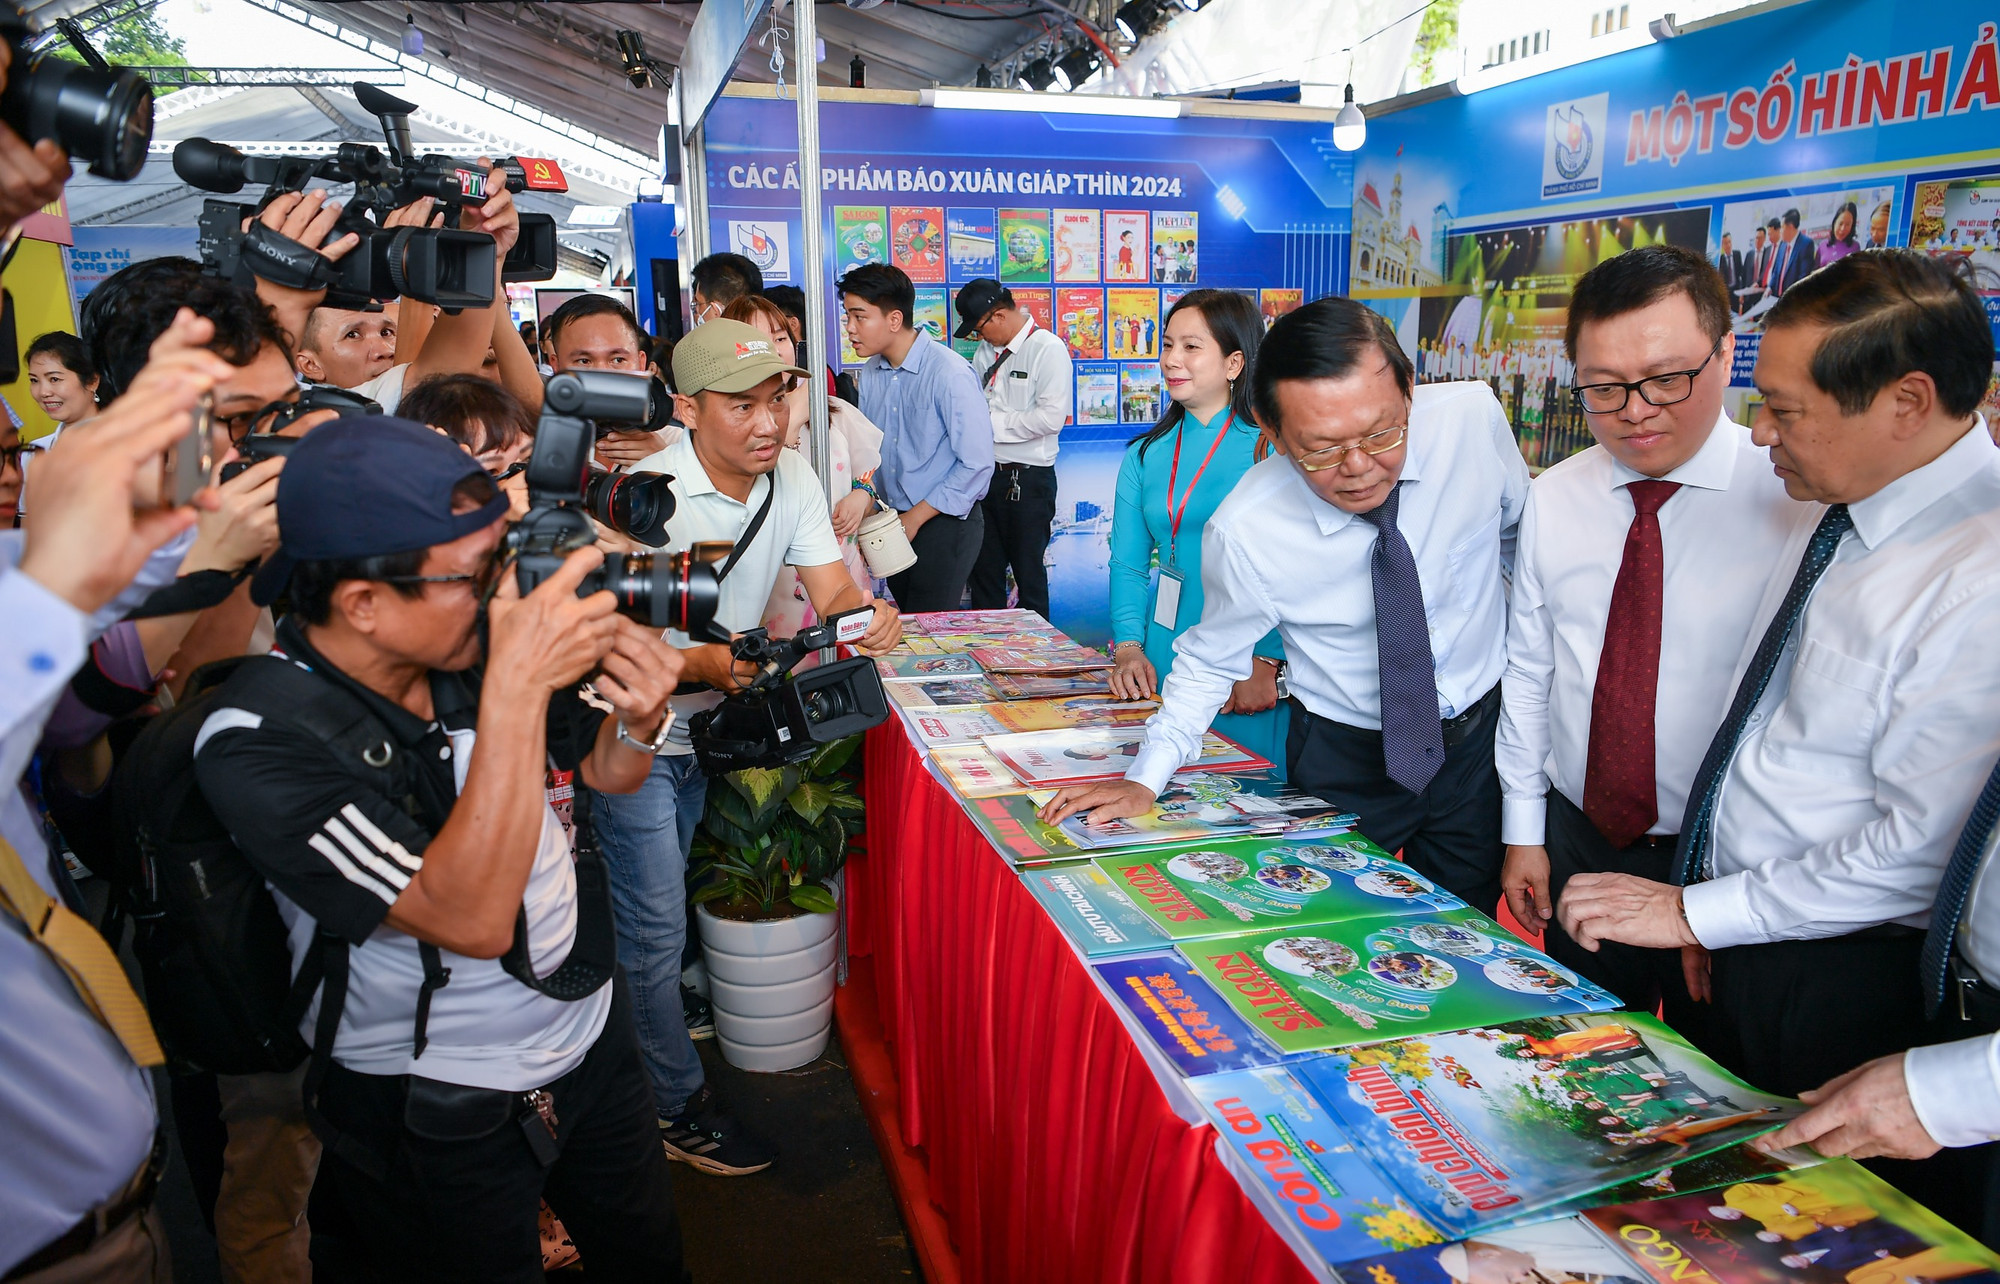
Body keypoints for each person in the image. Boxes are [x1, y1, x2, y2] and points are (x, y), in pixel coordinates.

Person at [194, 417, 691, 1281]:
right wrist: (514, 686)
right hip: (433, 1102)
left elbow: (606, 775)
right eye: (476, 575)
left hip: (586, 1042)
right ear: (363, 603)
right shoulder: (259, 738)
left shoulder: (467, 644)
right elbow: (465, 916)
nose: (508, 592)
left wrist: (643, 718)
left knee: (649, 1263)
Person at [1558, 252, 2000, 1119]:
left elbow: (1917, 853)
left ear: (1906, 403)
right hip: (1740, 929)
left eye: (1787, 411)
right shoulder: (1845, 510)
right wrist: (1704, 902)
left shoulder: (1975, 581)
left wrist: (1704, 914)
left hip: (1838, 966)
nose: (1761, 434)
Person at [1044, 297, 1529, 915]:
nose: (1357, 468)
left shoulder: (1471, 421)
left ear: (1408, 390)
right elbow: (1208, 659)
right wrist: (1145, 777)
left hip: (1475, 748)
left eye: (1381, 434)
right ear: (1272, 434)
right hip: (1345, 754)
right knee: (1331, 923)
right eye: (1320, 450)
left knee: (1465, 932)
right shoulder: (1249, 527)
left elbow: (1517, 540)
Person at [609, 320, 900, 1177]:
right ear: (687, 409)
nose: (770, 421)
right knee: (652, 929)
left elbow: (833, 585)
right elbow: (608, 631)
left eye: (777, 399)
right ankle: (669, 1106)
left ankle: (662, 1026)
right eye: (743, 406)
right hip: (634, 733)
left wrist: (864, 618)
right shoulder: (642, 497)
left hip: (712, 733)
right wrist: (695, 661)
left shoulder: (795, 475)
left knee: (674, 904)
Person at [1495, 246, 1806, 1038]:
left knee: (1724, 1082)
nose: (1635, 409)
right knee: (1578, 1053)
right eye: (1603, 387)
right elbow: (1531, 674)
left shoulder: (1793, 501)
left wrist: (1719, 885)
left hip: (1728, 858)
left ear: (1726, 352)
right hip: (1582, 837)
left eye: (1668, 378)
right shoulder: (1556, 499)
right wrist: (1525, 833)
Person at [2, 304, 247, 1282]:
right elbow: (77, 694)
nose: (9, 476)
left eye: (13, 448)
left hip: (109, 1218)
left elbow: (137, 561)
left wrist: (190, 437)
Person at [1101, 289, 1287, 767]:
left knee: (1247, 791)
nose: (1170, 360)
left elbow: (1296, 563)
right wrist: (1127, 647)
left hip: (1246, 654)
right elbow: (1127, 562)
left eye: (1190, 346)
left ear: (1234, 363)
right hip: (1165, 644)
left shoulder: (1272, 449)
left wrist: (1266, 659)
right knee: (1169, 784)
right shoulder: (1144, 453)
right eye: (1166, 345)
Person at [719, 293, 881, 630]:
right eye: (758, 340)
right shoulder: (727, 426)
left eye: (780, 338)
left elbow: (866, 477)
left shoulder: (832, 412)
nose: (775, 349)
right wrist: (791, 421)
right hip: (774, 585)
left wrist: (862, 496)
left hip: (840, 573)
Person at [840, 262, 995, 612]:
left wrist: (915, 518)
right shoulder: (872, 372)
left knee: (932, 630)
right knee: (908, 625)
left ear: (894, 320)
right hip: (892, 522)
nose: (850, 328)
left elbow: (977, 465)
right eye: (847, 316)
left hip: (944, 523)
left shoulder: (950, 372)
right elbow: (872, 454)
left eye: (859, 316)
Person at [954, 277, 1072, 618]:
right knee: (984, 574)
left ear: (999, 316)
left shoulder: (1047, 349)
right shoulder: (983, 353)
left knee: (1028, 576)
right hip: (985, 478)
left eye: (979, 328)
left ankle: (1039, 662)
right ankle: (989, 659)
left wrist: (990, 424)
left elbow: (1050, 419)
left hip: (1028, 481)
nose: (979, 337)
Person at [543, 293, 672, 470]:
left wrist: (666, 463)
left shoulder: (676, 443)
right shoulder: (538, 445)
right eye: (584, 361)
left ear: (641, 363)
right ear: (556, 366)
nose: (603, 374)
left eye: (618, 360)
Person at [688, 252, 762, 325]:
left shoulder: (701, 336)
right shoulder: (768, 334)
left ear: (715, 311)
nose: (696, 313)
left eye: (698, 304)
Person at [1773, 208, 1817, 295]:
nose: (1780, 231)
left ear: (1790, 227)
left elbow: (1803, 278)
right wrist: (1770, 288)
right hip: (1776, 298)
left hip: (1792, 299)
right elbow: (1776, 271)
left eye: (1782, 227)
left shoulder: (1806, 244)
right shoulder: (1782, 244)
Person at [1817, 201, 1862, 268]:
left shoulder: (1855, 247)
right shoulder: (1823, 245)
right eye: (1840, 223)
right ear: (1834, 222)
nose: (1842, 229)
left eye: (1847, 225)